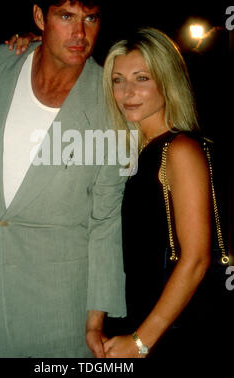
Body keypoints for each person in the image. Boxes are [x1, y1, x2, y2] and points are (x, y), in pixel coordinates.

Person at [0, 0, 127, 358]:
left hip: (63, 301)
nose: (80, 34)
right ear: (39, 18)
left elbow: (105, 222)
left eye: (90, 19)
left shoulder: (111, 104)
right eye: (66, 16)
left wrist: (95, 319)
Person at [100, 27, 213, 358]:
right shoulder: (135, 153)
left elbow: (196, 258)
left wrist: (140, 341)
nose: (127, 92)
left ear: (167, 80)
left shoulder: (180, 150)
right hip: (132, 321)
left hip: (164, 333)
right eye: (118, 80)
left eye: (142, 78)